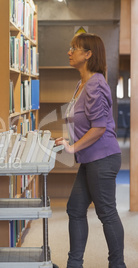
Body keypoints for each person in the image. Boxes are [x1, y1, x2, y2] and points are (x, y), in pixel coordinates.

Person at [55, 33, 126, 268]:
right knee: (75, 208)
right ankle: (74, 264)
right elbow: (82, 123)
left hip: (103, 158)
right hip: (90, 158)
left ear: (88, 54)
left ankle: (118, 265)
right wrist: (66, 139)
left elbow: (99, 128)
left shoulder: (96, 83)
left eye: (74, 48)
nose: (69, 52)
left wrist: (72, 146)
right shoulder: (81, 83)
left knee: (106, 213)